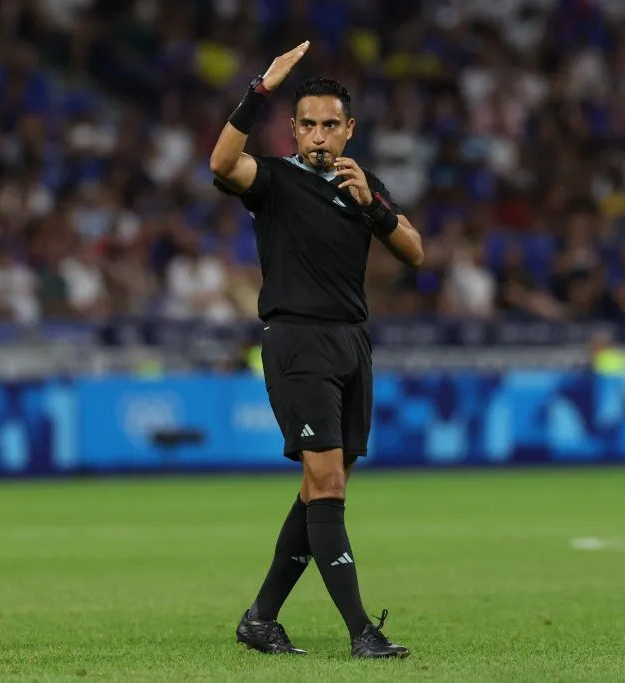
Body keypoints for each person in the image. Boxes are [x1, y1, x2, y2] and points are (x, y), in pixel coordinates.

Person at [209, 41, 424, 659]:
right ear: (293, 128)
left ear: (349, 129)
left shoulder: (364, 187)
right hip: (296, 340)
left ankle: (260, 618)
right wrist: (261, 89)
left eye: (331, 124)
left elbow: (414, 251)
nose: (319, 134)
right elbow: (224, 163)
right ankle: (362, 631)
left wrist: (374, 206)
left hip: (352, 343)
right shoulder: (274, 178)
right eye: (308, 124)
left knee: (321, 488)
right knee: (326, 482)